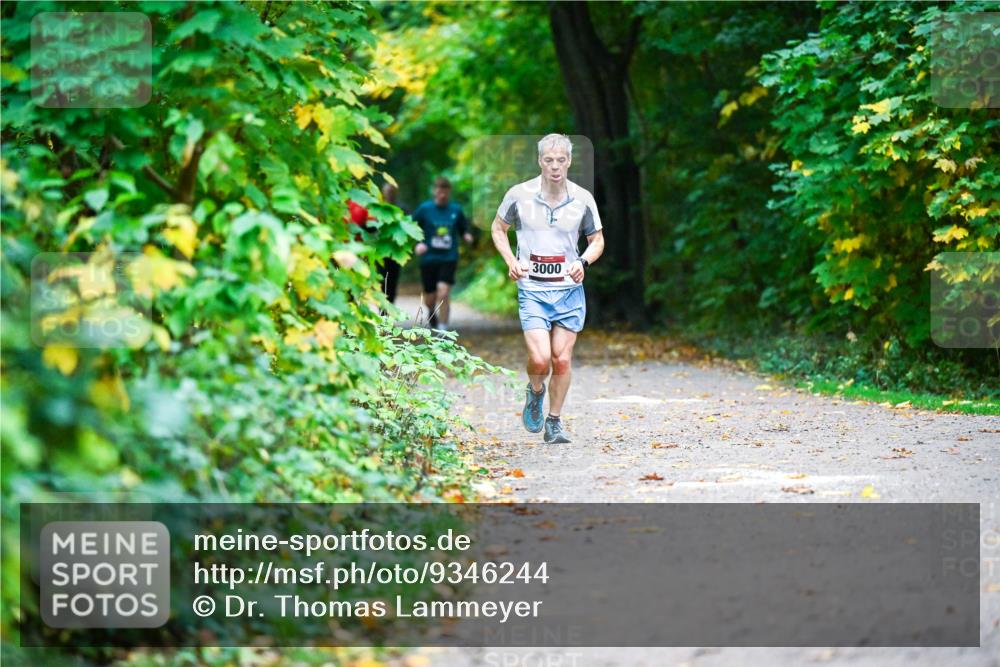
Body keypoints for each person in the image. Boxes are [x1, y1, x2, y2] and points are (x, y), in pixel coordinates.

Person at [490, 134, 605, 444]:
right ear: (540, 161)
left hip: (569, 291)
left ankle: (554, 422)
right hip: (533, 290)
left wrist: (583, 262)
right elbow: (498, 228)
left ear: (569, 162)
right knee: (541, 360)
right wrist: (511, 260)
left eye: (561, 160)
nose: (555, 166)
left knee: (562, 360)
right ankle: (536, 390)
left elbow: (597, 241)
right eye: (549, 160)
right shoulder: (518, 195)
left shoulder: (582, 198)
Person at [412, 176, 473, 331]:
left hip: (448, 257)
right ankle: (432, 311)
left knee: (444, 292)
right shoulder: (424, 209)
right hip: (428, 258)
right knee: (430, 298)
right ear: (434, 191)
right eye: (439, 191)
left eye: (445, 191)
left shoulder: (455, 210)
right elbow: (410, 227)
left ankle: (443, 329)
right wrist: (417, 244)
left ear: (449, 192)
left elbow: (463, 228)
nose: (442, 195)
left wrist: (467, 235)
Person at [378, 182, 403, 303]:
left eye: (392, 192)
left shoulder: (402, 209)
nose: (389, 194)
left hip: (395, 253)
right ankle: (383, 312)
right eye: (387, 192)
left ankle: (389, 307)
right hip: (380, 253)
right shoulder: (377, 209)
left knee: (392, 281)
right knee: (381, 281)